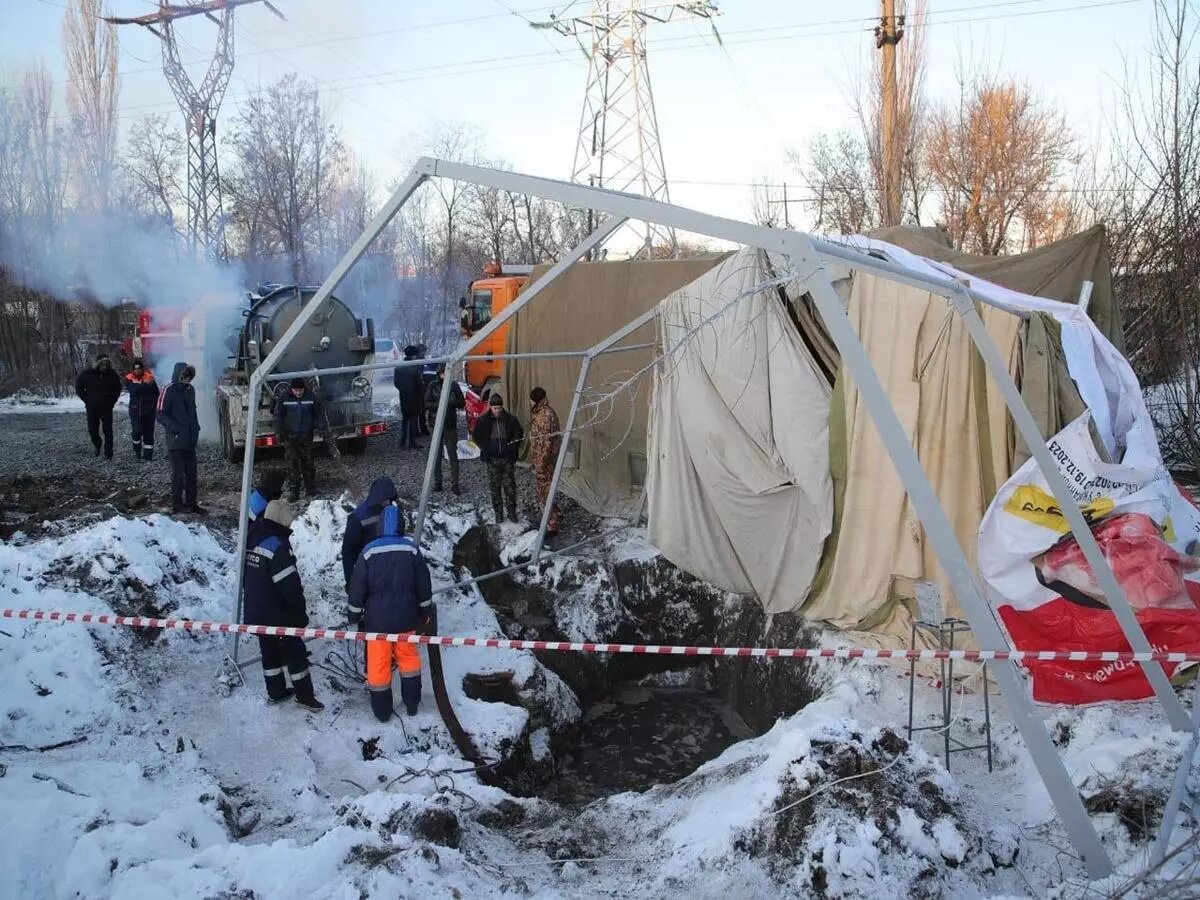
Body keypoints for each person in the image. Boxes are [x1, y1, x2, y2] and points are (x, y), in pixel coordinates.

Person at [347, 504, 434, 720]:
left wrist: (354, 614)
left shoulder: (368, 552)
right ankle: (412, 704)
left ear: (379, 527)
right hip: (407, 618)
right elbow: (424, 585)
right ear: (401, 526)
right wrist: (425, 611)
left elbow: (357, 587)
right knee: (409, 660)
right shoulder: (411, 549)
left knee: (378, 665)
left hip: (377, 623)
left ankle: (382, 711)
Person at [243, 499, 325, 711]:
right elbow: (290, 587)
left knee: (268, 651)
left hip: (256, 611)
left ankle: (276, 692)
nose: (290, 526)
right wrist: (299, 614)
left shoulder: (253, 538)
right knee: (295, 652)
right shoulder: (277, 547)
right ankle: (305, 697)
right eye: (288, 522)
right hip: (278, 614)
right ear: (280, 521)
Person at [273, 377, 335, 502]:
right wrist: (279, 432)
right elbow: (278, 416)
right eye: (296, 390)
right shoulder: (284, 398)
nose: (298, 393)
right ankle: (294, 491)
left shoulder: (311, 397)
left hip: (306, 435)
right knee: (292, 464)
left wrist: (323, 430)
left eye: (300, 390)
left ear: (303, 389)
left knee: (308, 463)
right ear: (292, 389)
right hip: (290, 437)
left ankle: (310, 489)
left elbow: (319, 415)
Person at [157, 362, 205, 514]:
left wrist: (196, 428)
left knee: (192, 473)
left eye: (189, 377)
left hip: (190, 439)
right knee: (178, 474)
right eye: (185, 376)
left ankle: (192, 504)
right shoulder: (168, 390)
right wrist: (174, 428)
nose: (187, 379)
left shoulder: (190, 390)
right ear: (178, 375)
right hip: (176, 440)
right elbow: (160, 414)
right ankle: (177, 505)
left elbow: (193, 412)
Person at [472, 394, 523, 524]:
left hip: (507, 459)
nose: (497, 411)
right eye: (495, 408)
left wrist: (512, 447)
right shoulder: (484, 420)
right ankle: (498, 514)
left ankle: (511, 513)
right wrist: (485, 448)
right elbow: (476, 435)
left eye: (499, 408)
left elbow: (518, 433)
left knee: (510, 488)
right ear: (491, 408)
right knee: (495, 489)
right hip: (492, 459)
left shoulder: (510, 419)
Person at [341, 475, 398, 588]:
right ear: (379, 497)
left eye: (390, 499)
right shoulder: (358, 518)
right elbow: (348, 551)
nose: (388, 502)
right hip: (366, 568)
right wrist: (350, 580)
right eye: (386, 499)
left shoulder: (390, 511)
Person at [425, 365, 465, 495]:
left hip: (449, 425)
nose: (445, 375)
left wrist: (451, 402)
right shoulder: (433, 385)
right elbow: (426, 403)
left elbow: (461, 402)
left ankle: (455, 483)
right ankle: (438, 482)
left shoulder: (454, 386)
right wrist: (440, 404)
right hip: (435, 424)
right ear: (439, 374)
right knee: (436, 455)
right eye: (443, 373)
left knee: (453, 454)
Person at [528, 386, 562, 537]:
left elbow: (546, 443)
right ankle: (554, 516)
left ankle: (551, 524)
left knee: (545, 492)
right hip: (545, 460)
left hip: (546, 462)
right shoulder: (543, 412)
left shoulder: (545, 415)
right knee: (546, 490)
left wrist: (541, 464)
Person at [75, 354, 122, 459]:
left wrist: (112, 401)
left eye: (106, 364)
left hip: (107, 407)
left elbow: (117, 389)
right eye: (102, 364)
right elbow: (79, 387)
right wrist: (87, 400)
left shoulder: (112, 375)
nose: (104, 366)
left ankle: (108, 452)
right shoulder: (87, 374)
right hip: (92, 407)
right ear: (98, 364)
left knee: (108, 430)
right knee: (92, 429)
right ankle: (97, 444)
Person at [123, 359, 158, 461]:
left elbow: (156, 393)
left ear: (143, 369)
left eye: (139, 368)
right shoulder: (129, 379)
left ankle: (148, 456)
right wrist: (145, 385)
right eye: (135, 368)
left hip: (149, 411)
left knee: (148, 433)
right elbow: (134, 391)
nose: (137, 370)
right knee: (136, 432)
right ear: (133, 370)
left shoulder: (150, 378)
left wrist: (153, 406)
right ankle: (137, 449)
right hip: (135, 410)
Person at [393, 346, 424, 449]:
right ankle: (412, 442)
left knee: (405, 419)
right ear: (415, 355)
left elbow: (396, 383)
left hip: (403, 396)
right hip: (415, 397)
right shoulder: (415, 366)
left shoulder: (399, 366)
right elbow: (420, 383)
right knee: (413, 420)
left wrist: (403, 390)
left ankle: (402, 442)